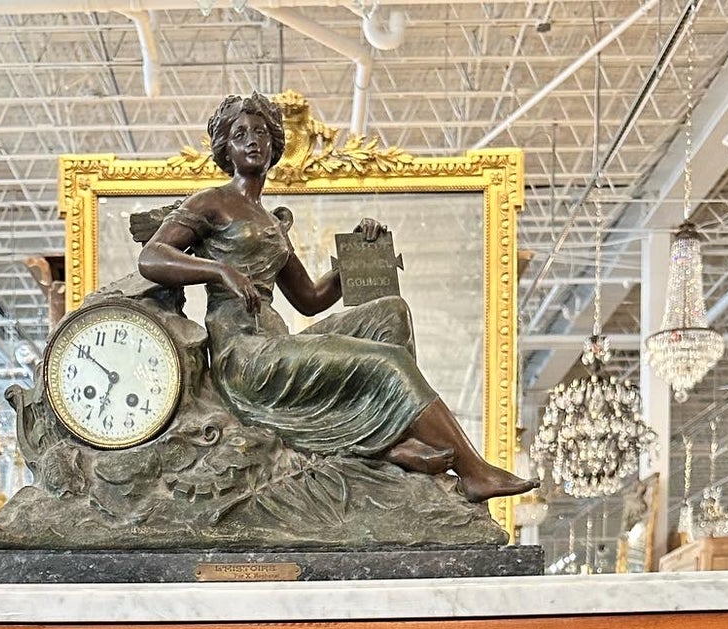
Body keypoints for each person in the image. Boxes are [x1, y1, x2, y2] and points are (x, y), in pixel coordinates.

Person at [138, 91, 533, 503]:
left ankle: (393, 438)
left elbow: (310, 299)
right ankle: (473, 472)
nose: (252, 140)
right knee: (387, 361)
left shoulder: (271, 223)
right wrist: (219, 269)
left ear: (274, 144)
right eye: (240, 134)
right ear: (226, 148)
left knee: (390, 314)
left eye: (260, 132)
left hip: (276, 339)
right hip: (244, 356)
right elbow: (151, 256)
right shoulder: (211, 202)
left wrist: (358, 258)